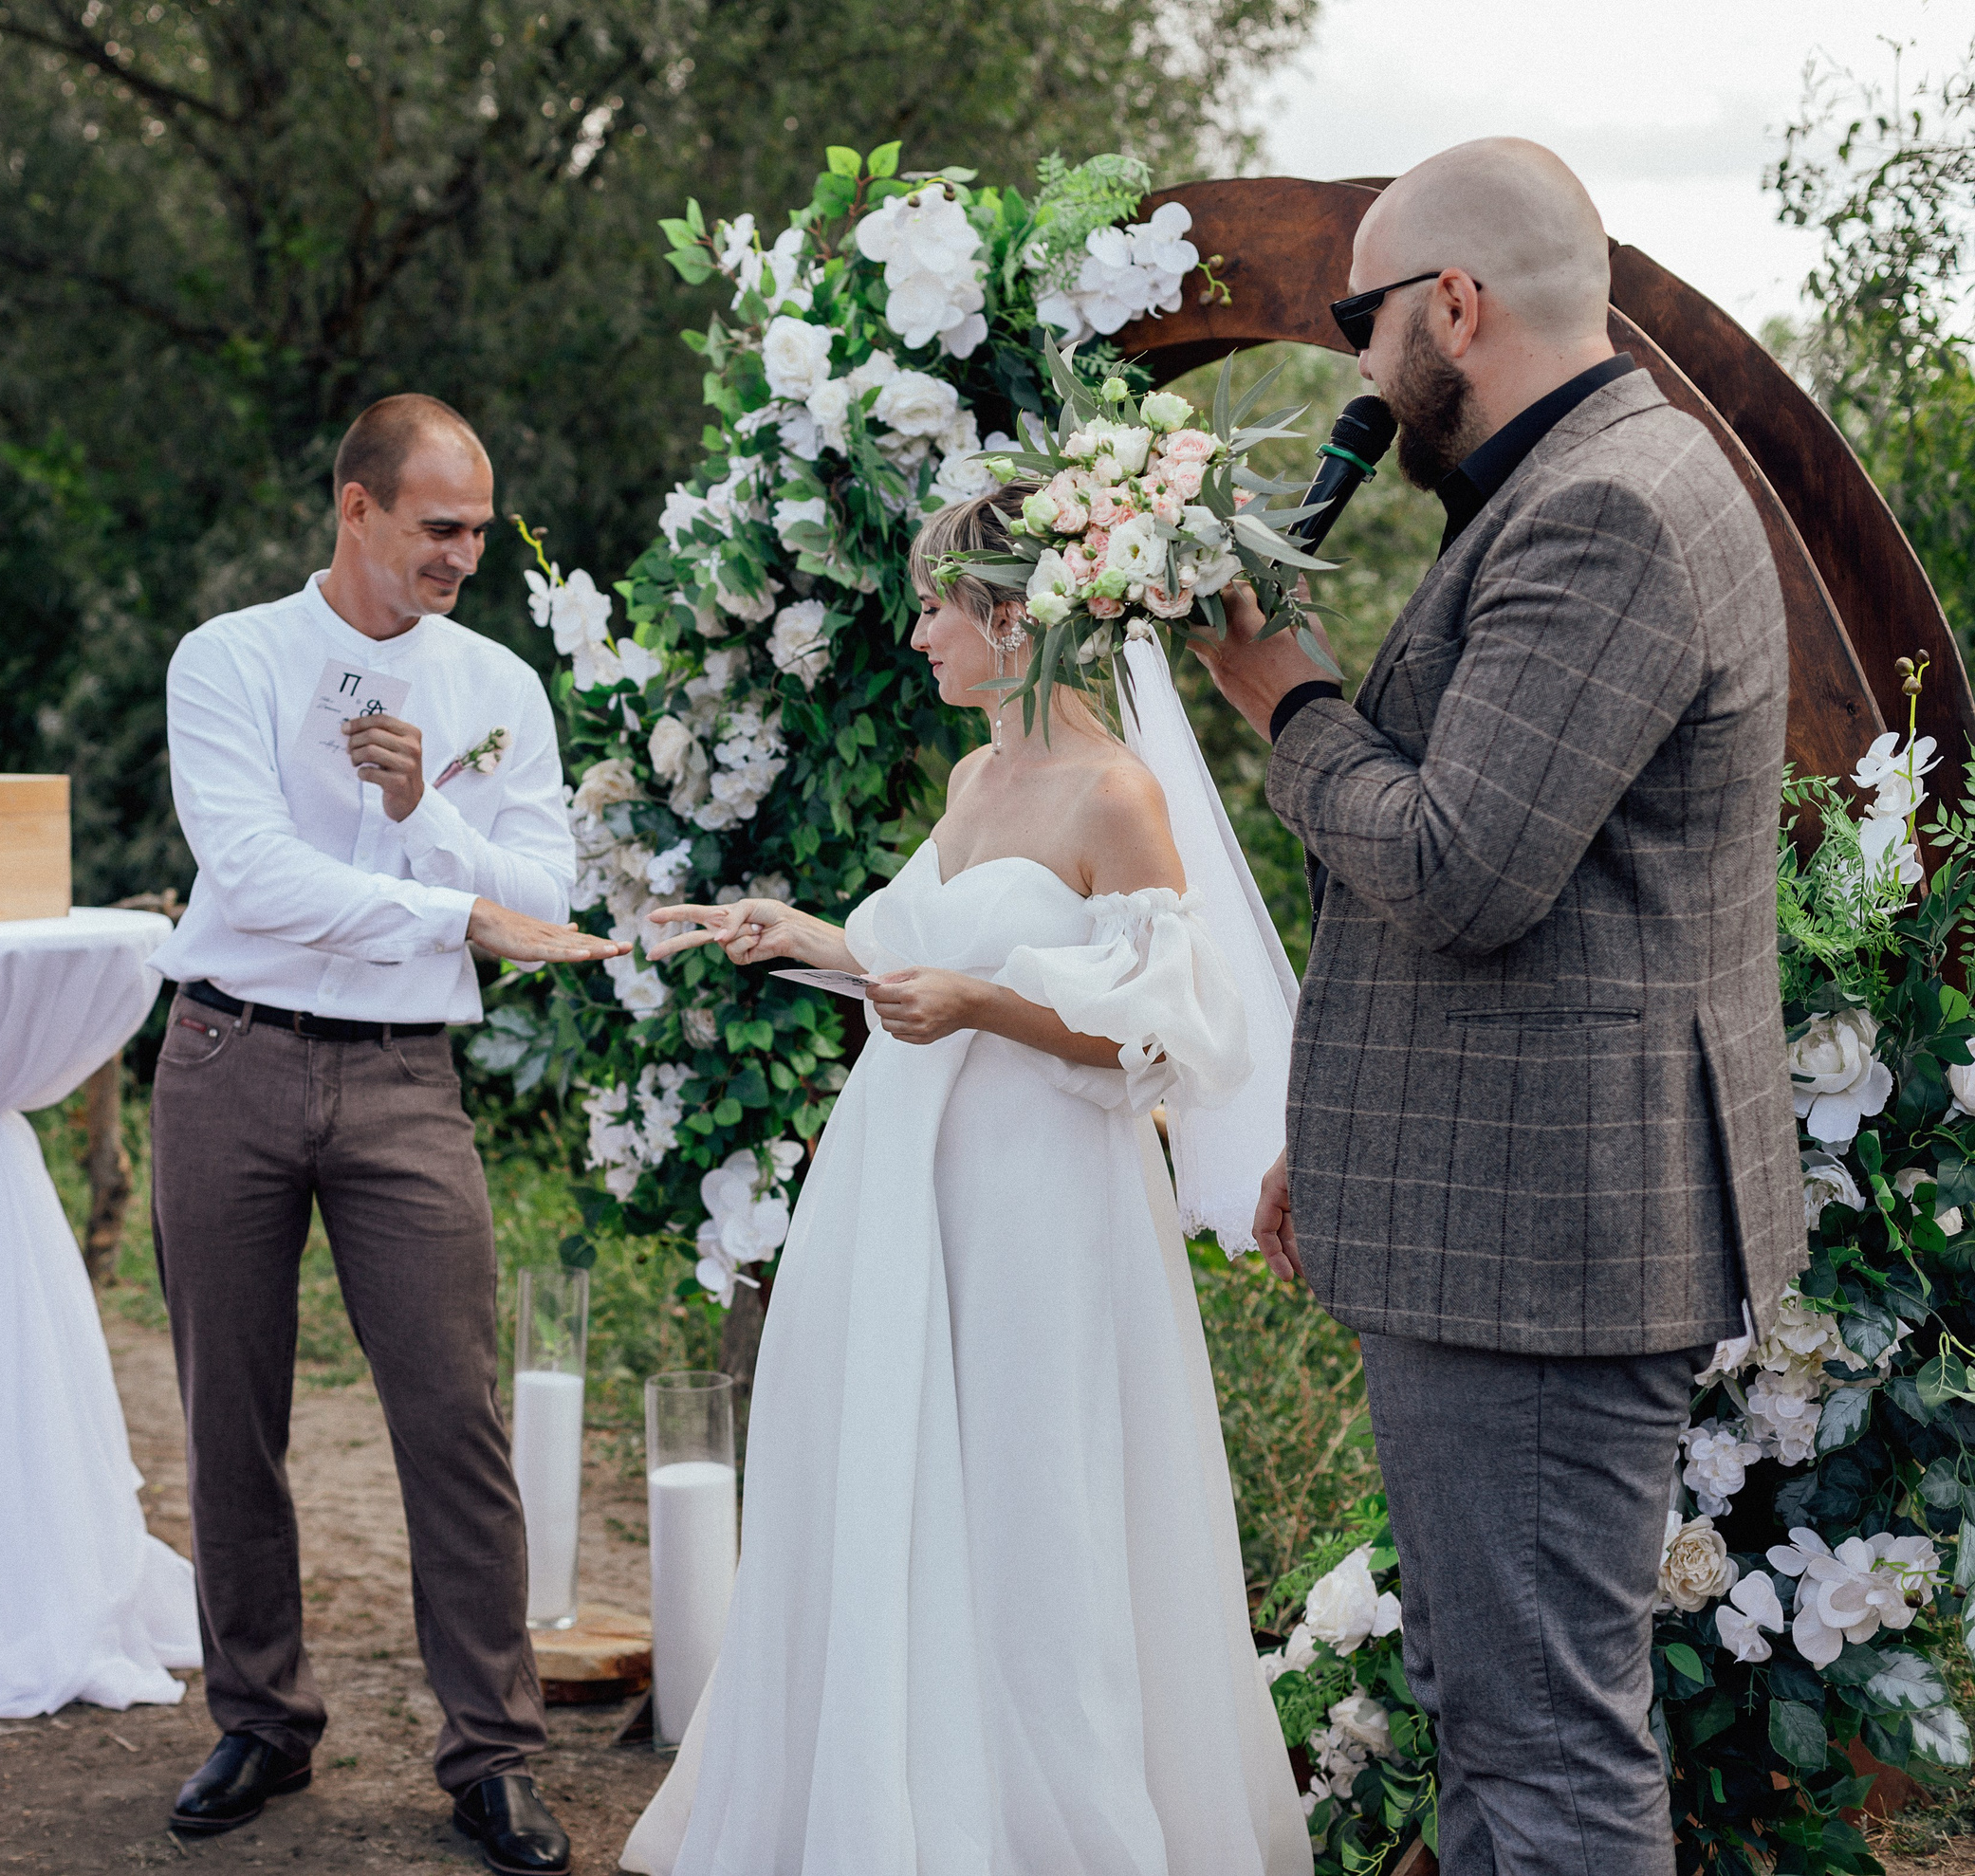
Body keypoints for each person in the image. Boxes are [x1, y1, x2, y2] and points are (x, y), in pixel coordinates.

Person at [1190, 138, 1803, 1876]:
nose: (1357, 360)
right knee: (1501, 1701)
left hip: (1550, 1245)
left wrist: (1286, 698)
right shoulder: (1577, 488)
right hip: (1508, 1211)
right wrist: (1349, 1146)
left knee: (1540, 1746)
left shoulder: (1609, 505)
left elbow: (1461, 866)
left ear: (1453, 302)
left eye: (1360, 316)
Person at [617, 483, 1311, 1876]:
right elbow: (911, 965)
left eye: (940, 601)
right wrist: (797, 930)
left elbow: (1176, 1030)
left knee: (1029, 1495)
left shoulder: (1115, 791)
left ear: (1013, 616)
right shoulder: (974, 779)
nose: (920, 628)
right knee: (913, 1484)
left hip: (1041, 1201)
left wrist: (989, 1005)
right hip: (905, 1187)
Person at [146, 393, 624, 1874]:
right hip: (229, 1053)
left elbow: (539, 888)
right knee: (234, 1406)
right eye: (439, 525)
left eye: (478, 527)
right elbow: (254, 870)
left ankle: (492, 1754)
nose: (466, 553)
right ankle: (263, 1719)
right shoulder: (229, 658)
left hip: (407, 1077)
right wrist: (457, 916)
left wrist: (431, 822)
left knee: (454, 1418)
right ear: (354, 508)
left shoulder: (499, 684)